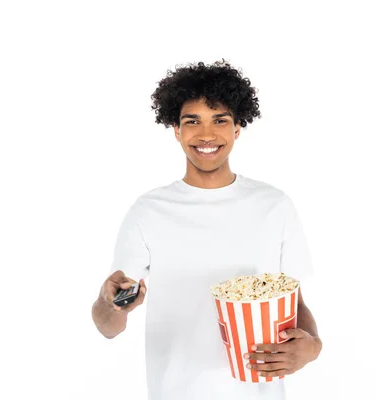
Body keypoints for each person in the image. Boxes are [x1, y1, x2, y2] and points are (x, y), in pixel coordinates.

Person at [91, 59, 322, 400]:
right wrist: (111, 305)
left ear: (237, 127)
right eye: (192, 121)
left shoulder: (275, 206)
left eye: (219, 120)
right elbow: (107, 325)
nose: (207, 134)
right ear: (176, 130)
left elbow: (294, 302)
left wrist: (311, 348)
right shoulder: (148, 211)